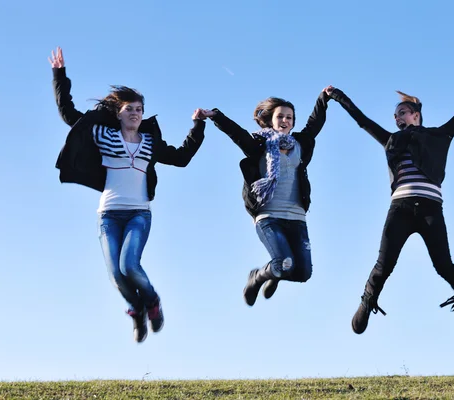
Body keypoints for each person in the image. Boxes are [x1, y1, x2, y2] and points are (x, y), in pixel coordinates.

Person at [49, 47, 206, 343]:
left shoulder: (150, 142)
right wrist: (60, 75)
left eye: (139, 109)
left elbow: (182, 156)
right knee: (116, 276)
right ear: (118, 113)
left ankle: (152, 303)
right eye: (129, 109)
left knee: (129, 266)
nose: (135, 114)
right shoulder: (103, 135)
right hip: (108, 215)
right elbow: (69, 114)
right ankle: (136, 311)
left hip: (138, 214)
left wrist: (198, 126)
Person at [328, 61, 454, 334]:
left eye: (402, 112)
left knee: (444, 265)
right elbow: (362, 121)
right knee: (384, 265)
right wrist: (338, 96)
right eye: (395, 115)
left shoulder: (440, 135)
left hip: (430, 209)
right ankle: (367, 303)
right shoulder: (392, 141)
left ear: (416, 115)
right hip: (401, 208)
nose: (397, 118)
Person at [198, 87, 333, 306]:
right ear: (271, 119)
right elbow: (238, 134)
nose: (285, 120)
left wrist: (323, 98)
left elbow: (315, 123)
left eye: (289, 117)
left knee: (303, 273)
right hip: (268, 215)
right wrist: (216, 116)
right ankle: (258, 277)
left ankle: (274, 274)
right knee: (283, 262)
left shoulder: (300, 145)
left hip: (297, 216)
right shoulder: (259, 144)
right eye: (280, 116)